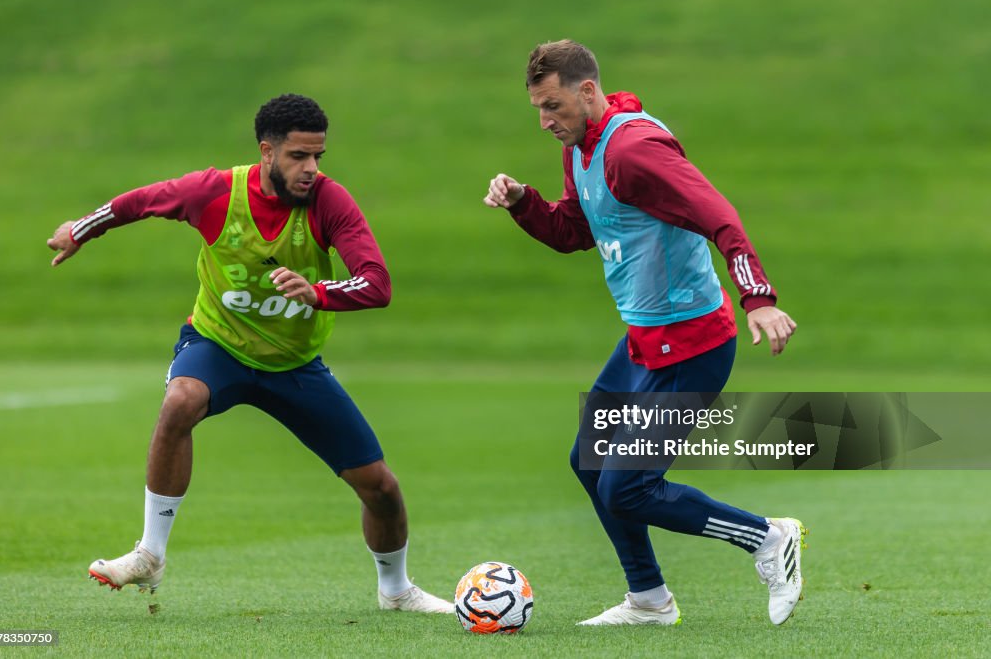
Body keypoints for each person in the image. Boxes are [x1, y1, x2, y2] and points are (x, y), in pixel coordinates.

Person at [47, 93, 452, 614]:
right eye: (298, 157)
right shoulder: (214, 193)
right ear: (267, 151)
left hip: (294, 365)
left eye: (318, 157)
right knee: (180, 401)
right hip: (218, 344)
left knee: (381, 489)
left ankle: (396, 591)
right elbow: (138, 202)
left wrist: (319, 291)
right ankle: (150, 553)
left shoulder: (330, 202)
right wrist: (78, 231)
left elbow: (377, 284)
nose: (311, 169)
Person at [483, 40, 805, 626]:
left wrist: (758, 298)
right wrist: (524, 202)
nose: (544, 120)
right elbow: (574, 232)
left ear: (587, 91)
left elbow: (719, 215)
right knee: (589, 462)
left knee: (627, 488)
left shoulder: (633, 150)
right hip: (643, 342)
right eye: (537, 108)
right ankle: (649, 601)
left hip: (693, 345)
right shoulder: (583, 147)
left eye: (552, 106)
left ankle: (766, 536)